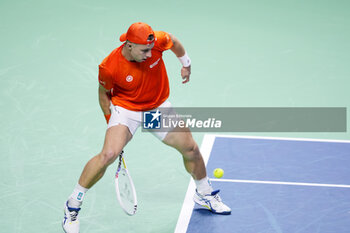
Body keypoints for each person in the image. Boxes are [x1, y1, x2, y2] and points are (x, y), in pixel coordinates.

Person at [62, 22, 231, 233]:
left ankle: (205, 193)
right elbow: (103, 95)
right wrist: (111, 123)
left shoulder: (156, 41)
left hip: (155, 109)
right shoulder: (110, 66)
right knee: (108, 154)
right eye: (144, 50)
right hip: (127, 110)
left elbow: (174, 42)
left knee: (191, 150)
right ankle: (73, 205)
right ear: (130, 45)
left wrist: (185, 63)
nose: (150, 54)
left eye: (151, 49)